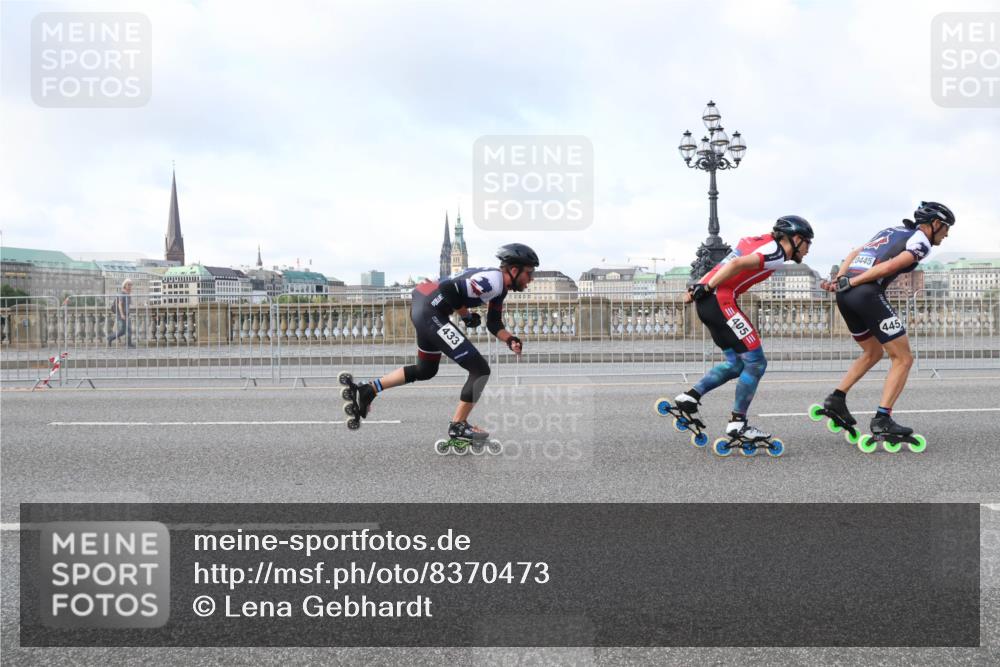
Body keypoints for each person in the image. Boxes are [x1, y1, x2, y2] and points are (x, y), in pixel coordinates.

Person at [343, 243, 538, 444]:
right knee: (480, 370)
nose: (531, 280)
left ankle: (368, 389)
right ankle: (458, 425)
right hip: (431, 313)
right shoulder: (493, 281)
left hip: (425, 307)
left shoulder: (499, 288)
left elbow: (493, 322)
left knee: (425, 369)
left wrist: (510, 339)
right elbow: (448, 288)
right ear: (514, 270)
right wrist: (465, 315)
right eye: (529, 274)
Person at [818, 201, 954, 443]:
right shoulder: (920, 241)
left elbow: (852, 254)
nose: (947, 234)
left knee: (872, 352)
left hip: (846, 296)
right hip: (866, 294)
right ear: (934, 224)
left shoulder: (889, 231)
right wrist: (856, 283)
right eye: (945, 228)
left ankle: (836, 399)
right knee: (903, 358)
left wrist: (842, 281)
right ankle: (883, 419)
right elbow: (891, 266)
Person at [673, 215, 814, 441]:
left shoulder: (758, 240)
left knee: (736, 363)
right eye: (808, 242)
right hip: (721, 300)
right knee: (756, 362)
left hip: (708, 302)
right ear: (796, 239)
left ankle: (690, 397)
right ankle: (738, 423)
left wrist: (698, 289)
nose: (808, 249)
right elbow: (736, 263)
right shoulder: (775, 252)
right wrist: (708, 286)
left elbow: (726, 262)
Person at [107, 279, 135, 348]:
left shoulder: (128, 294)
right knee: (127, 329)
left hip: (126, 314)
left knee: (123, 330)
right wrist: (122, 314)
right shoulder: (122, 293)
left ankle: (110, 338)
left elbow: (128, 305)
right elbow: (120, 304)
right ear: (124, 285)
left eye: (130, 285)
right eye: (128, 284)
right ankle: (128, 344)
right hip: (121, 314)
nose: (130, 286)